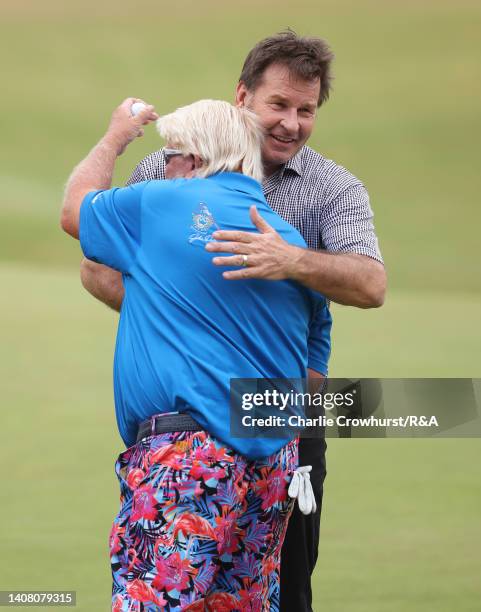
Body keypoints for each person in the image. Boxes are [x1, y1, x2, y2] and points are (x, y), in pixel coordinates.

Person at [80, 31, 386, 611]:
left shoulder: (331, 188)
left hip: (282, 416)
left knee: (283, 590)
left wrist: (292, 260)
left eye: (306, 110)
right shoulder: (171, 167)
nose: (291, 123)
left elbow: (369, 285)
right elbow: (97, 263)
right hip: (192, 413)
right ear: (243, 97)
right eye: (279, 105)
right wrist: (199, 322)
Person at [60, 98, 332, 611]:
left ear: (192, 159)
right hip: (273, 467)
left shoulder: (166, 201)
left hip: (184, 463)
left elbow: (75, 210)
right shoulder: (288, 240)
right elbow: (313, 366)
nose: (163, 166)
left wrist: (116, 135)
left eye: (168, 155)